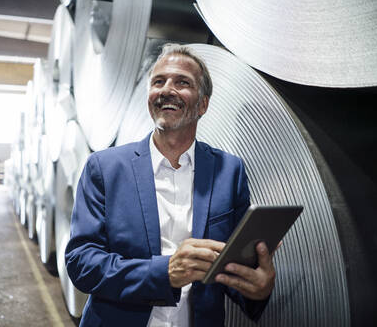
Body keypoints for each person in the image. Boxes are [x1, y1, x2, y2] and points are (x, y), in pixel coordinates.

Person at [65, 44, 276, 327]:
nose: (167, 89)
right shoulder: (104, 168)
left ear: (203, 104)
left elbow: (231, 264)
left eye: (182, 82)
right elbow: (82, 262)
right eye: (158, 81)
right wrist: (165, 273)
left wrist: (258, 291)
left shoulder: (229, 171)